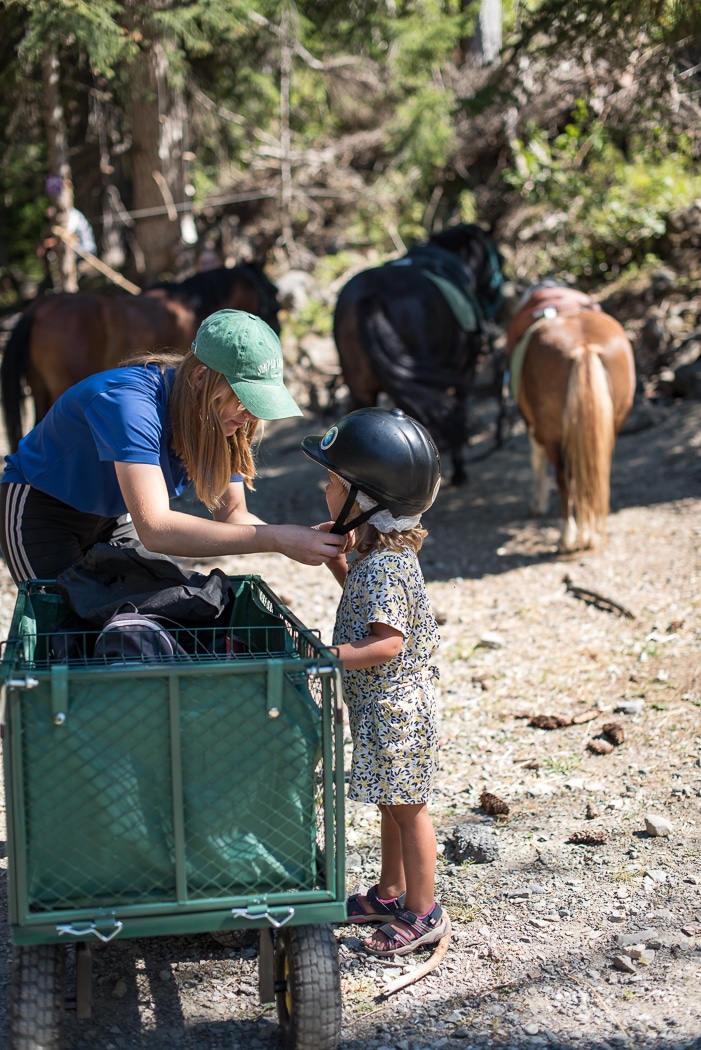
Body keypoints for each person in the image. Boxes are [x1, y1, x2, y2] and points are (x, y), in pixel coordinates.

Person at [0, 309, 346, 585]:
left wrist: (299, 538)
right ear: (200, 379)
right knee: (59, 633)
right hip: (41, 510)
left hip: (110, 518)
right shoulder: (129, 404)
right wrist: (275, 539)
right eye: (244, 398)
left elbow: (232, 516)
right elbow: (157, 529)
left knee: (131, 625)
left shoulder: (224, 421)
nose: (251, 413)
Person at [301, 407, 448, 957]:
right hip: (380, 705)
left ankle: (423, 909)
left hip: (398, 710)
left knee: (407, 807)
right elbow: (360, 598)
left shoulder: (387, 566)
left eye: (333, 483)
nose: (324, 487)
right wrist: (336, 561)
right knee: (391, 800)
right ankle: (390, 892)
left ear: (365, 500)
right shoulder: (374, 553)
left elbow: (387, 642)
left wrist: (326, 656)